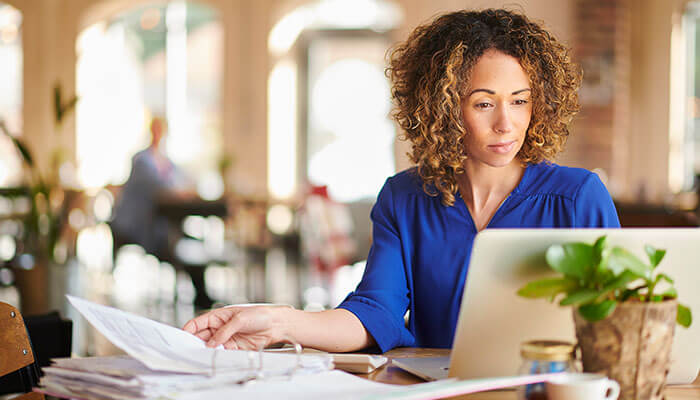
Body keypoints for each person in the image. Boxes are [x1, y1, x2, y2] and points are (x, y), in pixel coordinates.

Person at [183, 9, 620, 353]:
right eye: (484, 104)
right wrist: (280, 322)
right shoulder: (404, 197)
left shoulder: (577, 197)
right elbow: (377, 312)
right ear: (445, 108)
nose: (507, 123)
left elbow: (618, 322)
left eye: (520, 101)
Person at [111, 116, 194, 260]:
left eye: (161, 130)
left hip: (156, 217)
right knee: (170, 237)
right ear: (150, 130)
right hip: (137, 219)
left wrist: (187, 188)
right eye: (156, 129)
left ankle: (185, 262)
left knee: (178, 233)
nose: (159, 134)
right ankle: (177, 260)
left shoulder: (165, 160)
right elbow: (158, 185)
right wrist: (179, 192)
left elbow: (183, 178)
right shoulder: (141, 160)